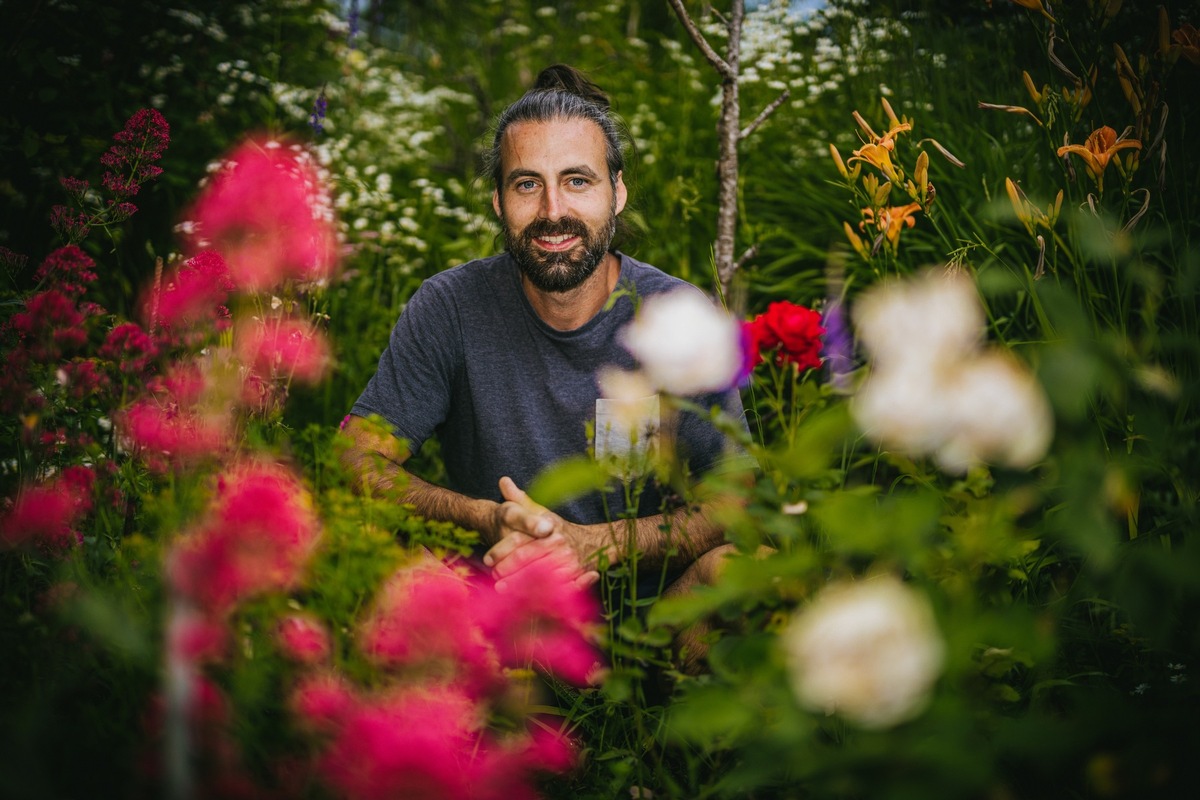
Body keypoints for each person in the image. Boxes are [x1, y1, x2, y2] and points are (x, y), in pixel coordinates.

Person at [341, 64, 753, 620]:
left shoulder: (676, 317)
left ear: (618, 192)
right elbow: (354, 457)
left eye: (577, 181)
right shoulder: (451, 307)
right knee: (379, 556)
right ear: (497, 200)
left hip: (650, 622)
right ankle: (467, 699)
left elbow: (738, 500)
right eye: (527, 184)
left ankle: (659, 704)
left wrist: (595, 544)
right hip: (496, 610)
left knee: (746, 573)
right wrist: (487, 518)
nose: (552, 210)